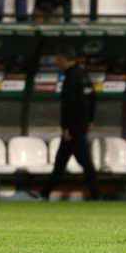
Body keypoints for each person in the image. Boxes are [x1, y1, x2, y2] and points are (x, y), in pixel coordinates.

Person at [39, 45, 100, 201]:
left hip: (74, 127)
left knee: (84, 162)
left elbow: (69, 104)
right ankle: (45, 193)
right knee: (61, 162)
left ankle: (96, 195)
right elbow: (92, 98)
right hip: (81, 124)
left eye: (58, 59)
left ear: (64, 59)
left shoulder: (71, 77)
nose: (57, 62)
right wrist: (91, 120)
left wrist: (66, 127)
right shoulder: (84, 75)